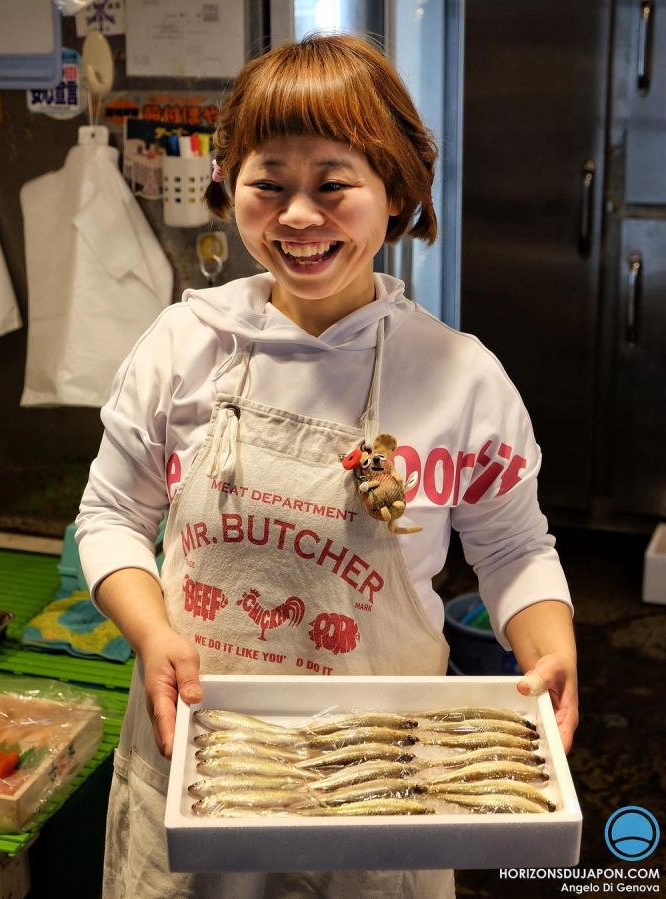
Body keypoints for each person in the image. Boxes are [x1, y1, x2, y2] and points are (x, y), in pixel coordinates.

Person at [76, 32, 578, 899]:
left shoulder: (460, 376)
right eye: (268, 184)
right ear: (231, 185)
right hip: (202, 757)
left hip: (387, 774)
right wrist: (153, 633)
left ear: (395, 193)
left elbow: (513, 549)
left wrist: (551, 643)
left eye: (333, 184)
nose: (298, 216)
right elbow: (111, 517)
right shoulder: (183, 345)